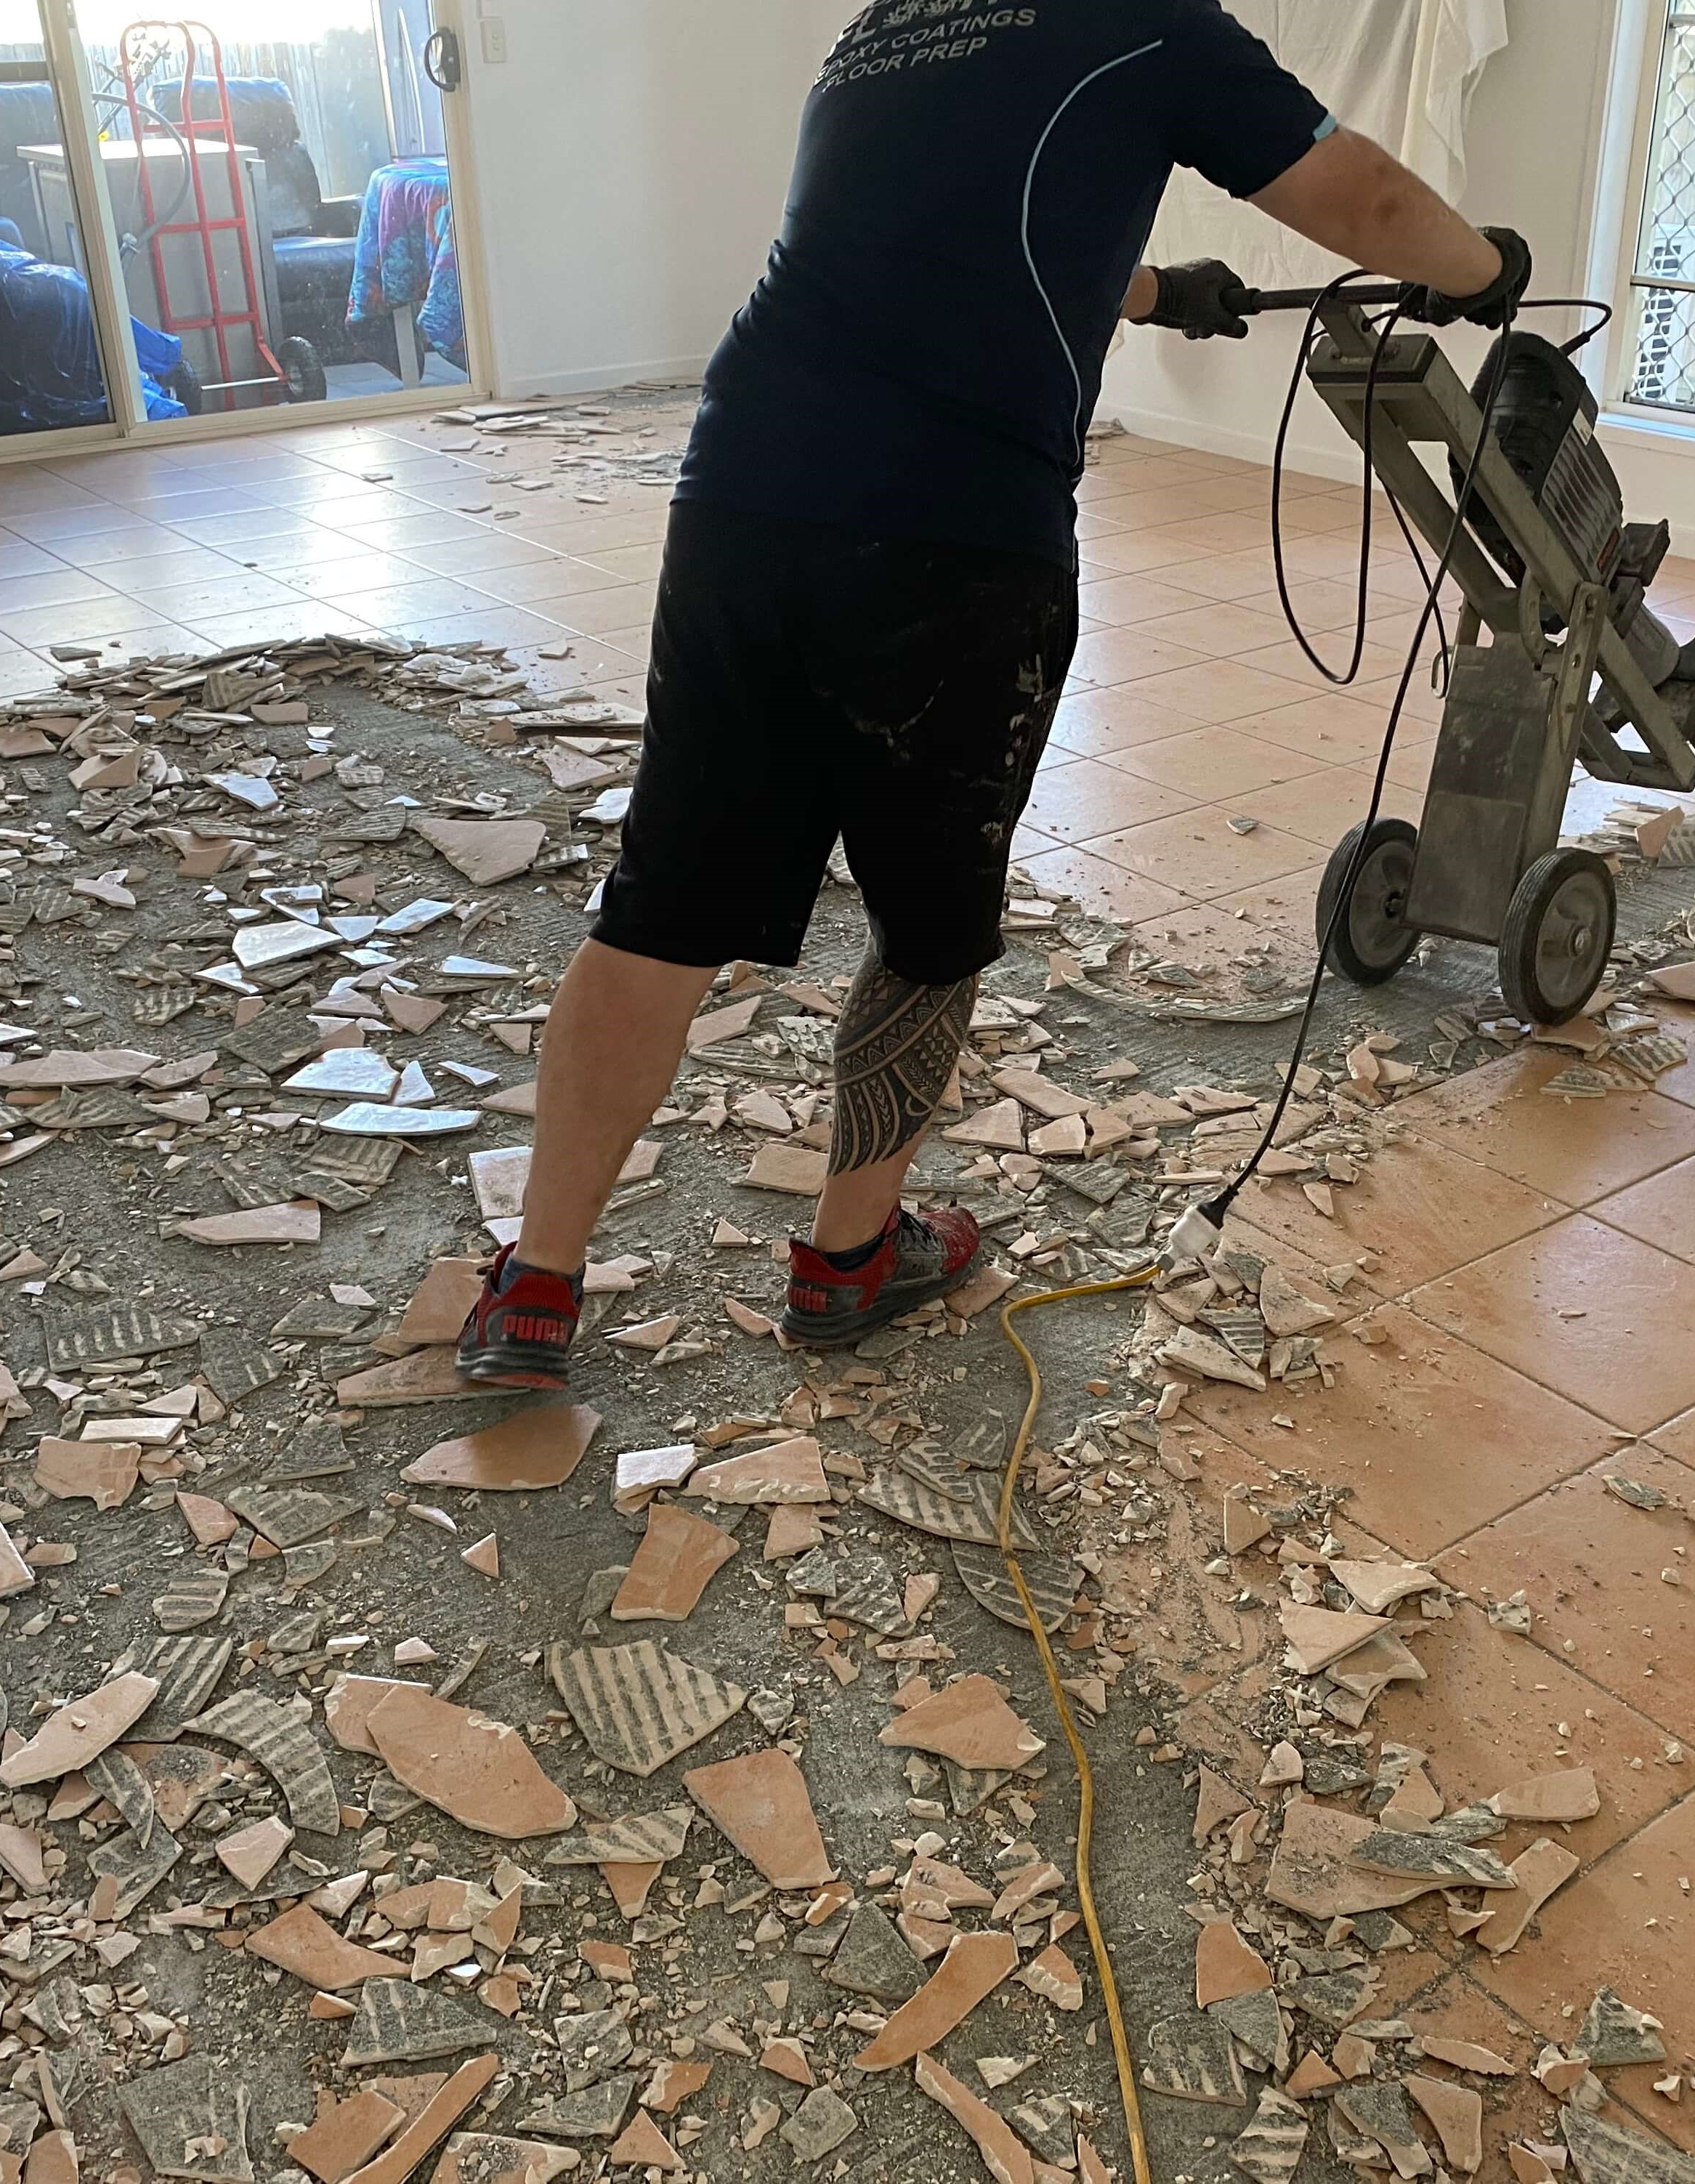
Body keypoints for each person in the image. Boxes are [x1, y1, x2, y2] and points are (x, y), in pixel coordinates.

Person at [456, 0, 1530, 1388]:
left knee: (661, 906)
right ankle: (849, 1260)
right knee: (928, 924)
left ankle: (535, 1285)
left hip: (745, 495)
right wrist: (1483, 267)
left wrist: (1156, 292)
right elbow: (1372, 203)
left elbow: (939, 233)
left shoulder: (891, 23)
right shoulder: (1153, 24)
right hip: (950, 535)